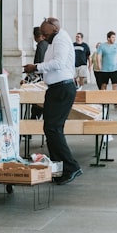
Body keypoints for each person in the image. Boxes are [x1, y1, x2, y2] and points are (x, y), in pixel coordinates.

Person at [23, 17, 81, 185]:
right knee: (51, 128)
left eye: (46, 34)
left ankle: (70, 167)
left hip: (62, 88)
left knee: (53, 129)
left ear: (55, 29)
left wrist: (36, 67)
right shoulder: (55, 39)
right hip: (56, 88)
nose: (43, 37)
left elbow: (58, 63)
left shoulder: (61, 39)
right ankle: (59, 167)